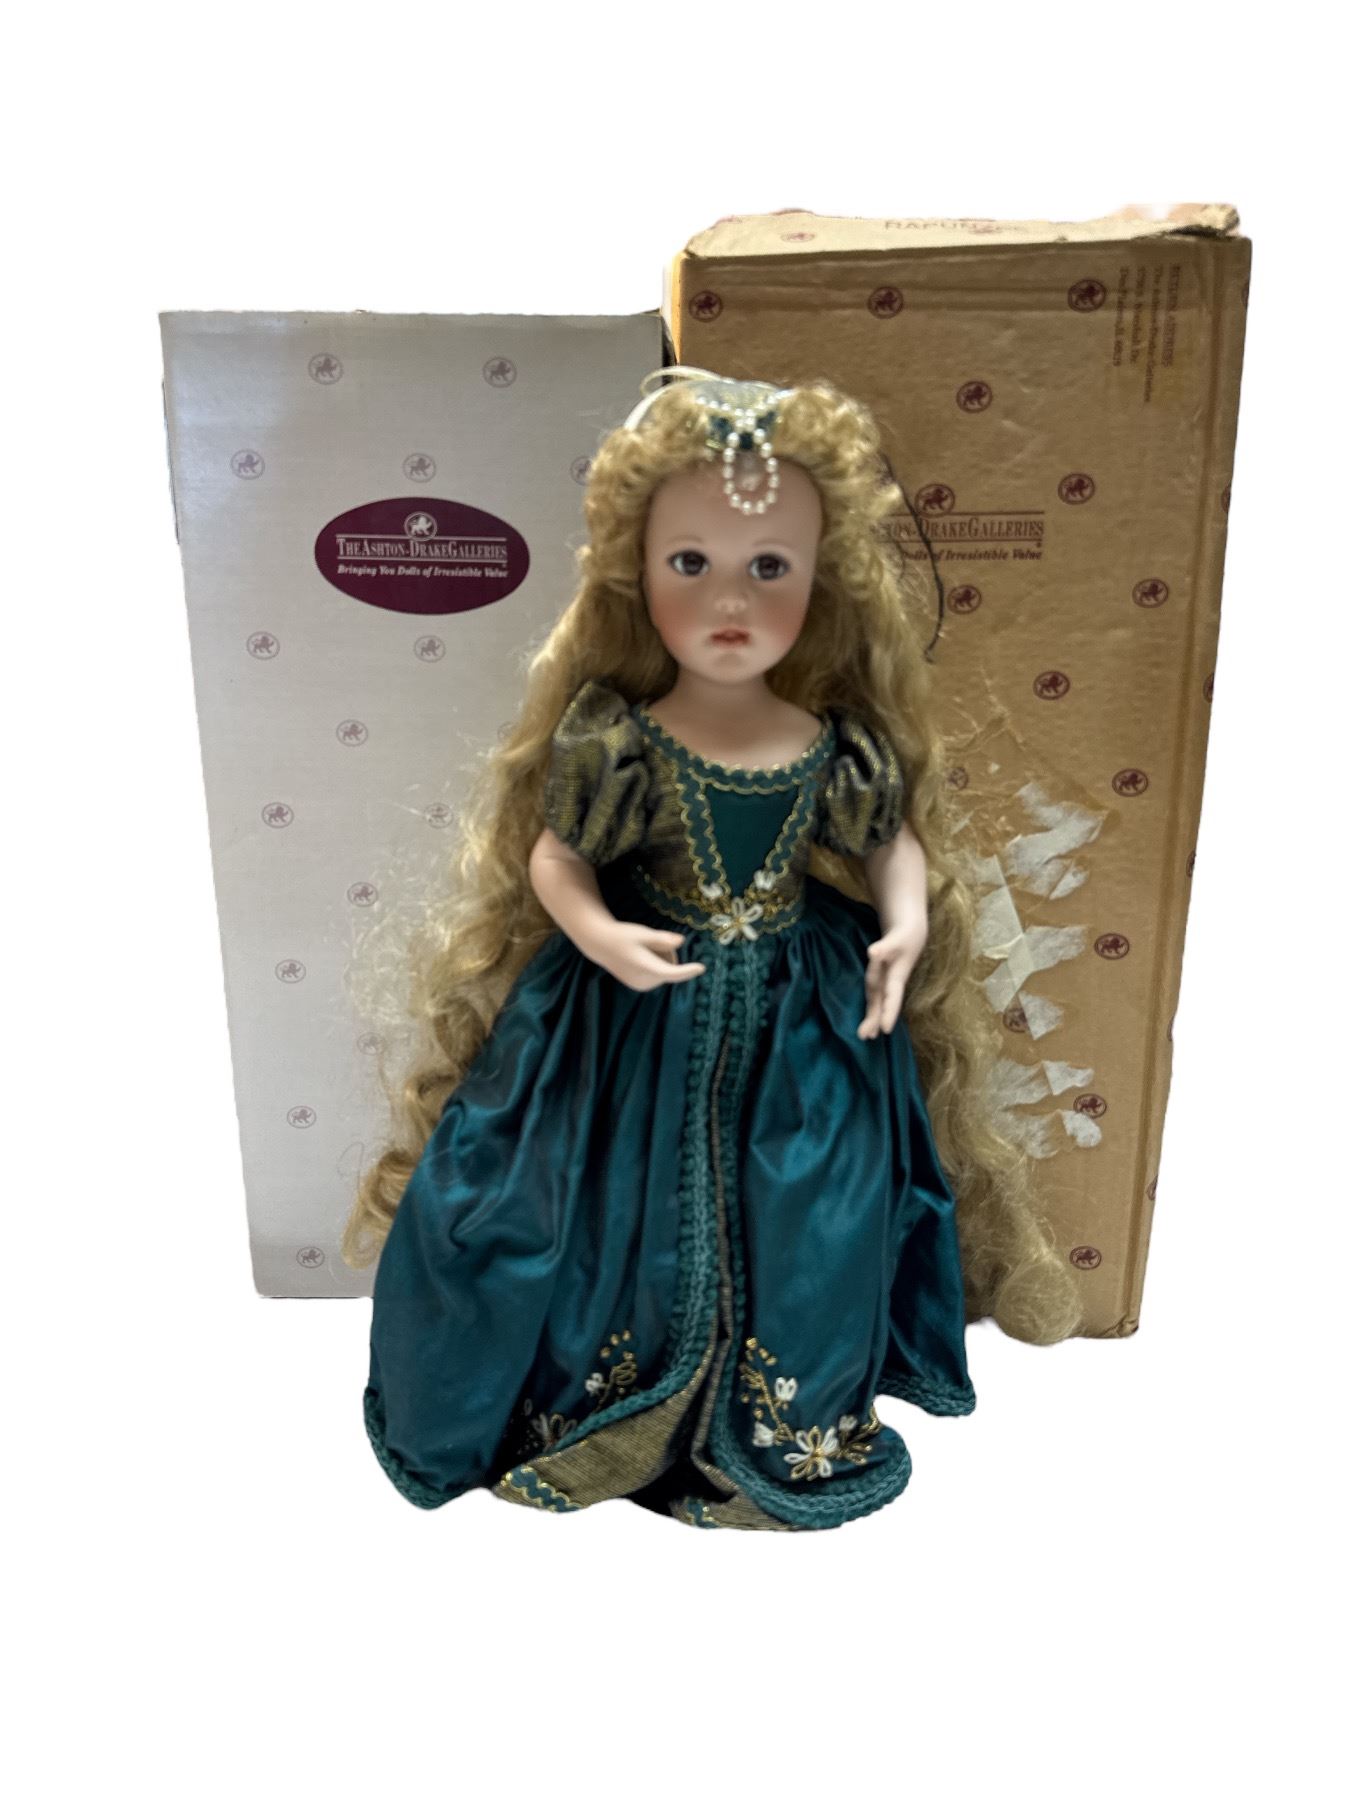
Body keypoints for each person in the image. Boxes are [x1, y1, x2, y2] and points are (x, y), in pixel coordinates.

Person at [342, 366, 1081, 1531]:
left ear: (820, 580)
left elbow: (886, 840)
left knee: (816, 1205)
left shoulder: (832, 742)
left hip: (803, 1012)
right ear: (636, 575)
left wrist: (905, 921)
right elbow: (557, 860)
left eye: (769, 567)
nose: (729, 598)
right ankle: (610, 1408)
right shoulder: (619, 740)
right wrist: (597, 932)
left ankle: (769, 1421)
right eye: (691, 563)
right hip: (632, 1010)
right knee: (585, 1203)